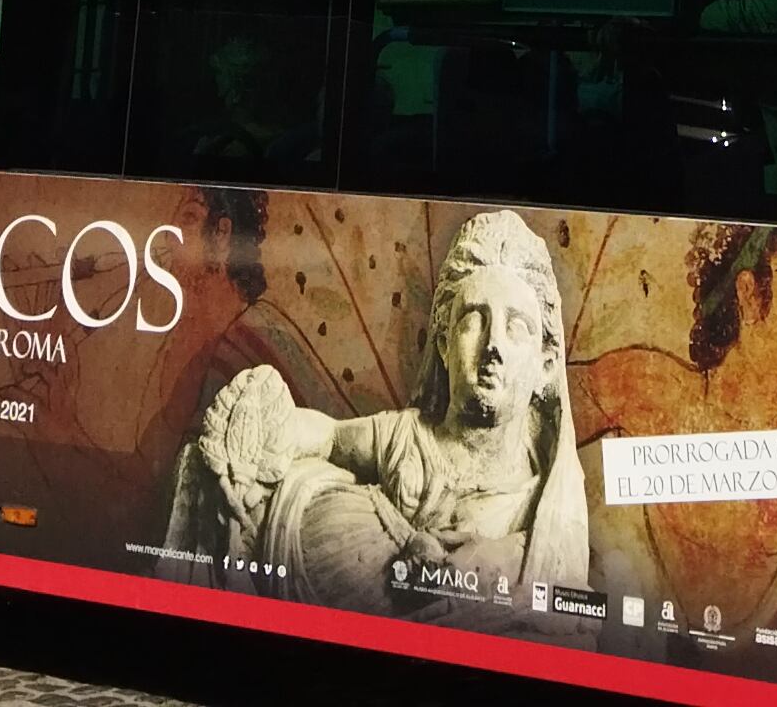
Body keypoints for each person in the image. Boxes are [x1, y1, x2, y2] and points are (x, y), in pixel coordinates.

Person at [167, 208, 590, 620]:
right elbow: (332, 438)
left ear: (545, 367)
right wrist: (273, 424)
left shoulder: (544, 512)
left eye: (516, 327)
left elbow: (566, 614)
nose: (493, 345)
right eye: (474, 321)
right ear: (443, 344)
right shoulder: (408, 436)